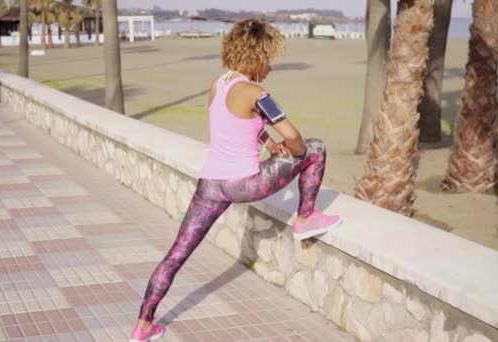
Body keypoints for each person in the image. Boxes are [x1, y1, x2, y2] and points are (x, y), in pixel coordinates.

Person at [129, 18, 342, 342]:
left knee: (175, 256)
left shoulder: (219, 84)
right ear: (257, 56)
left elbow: (237, 128)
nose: (270, 67)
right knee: (315, 147)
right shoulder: (258, 93)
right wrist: (291, 149)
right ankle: (306, 217)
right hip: (244, 183)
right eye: (268, 60)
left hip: (210, 185)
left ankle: (143, 327)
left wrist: (270, 145)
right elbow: (295, 137)